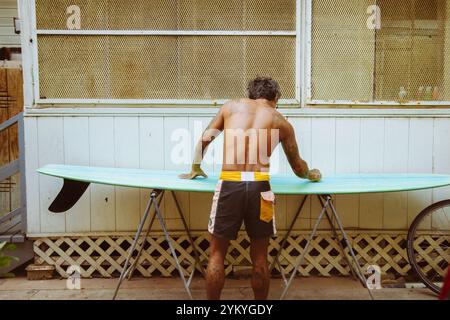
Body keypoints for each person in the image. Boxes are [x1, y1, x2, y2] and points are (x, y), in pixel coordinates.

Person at [179, 76, 321, 300]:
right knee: (260, 257)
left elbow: (205, 138)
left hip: (230, 183)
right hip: (260, 187)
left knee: (216, 254)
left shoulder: (231, 107)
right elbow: (298, 167)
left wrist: (196, 166)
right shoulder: (281, 121)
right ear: (275, 98)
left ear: (251, 95)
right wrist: (311, 173)